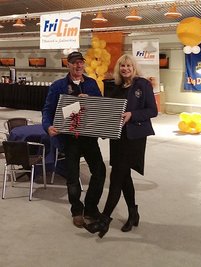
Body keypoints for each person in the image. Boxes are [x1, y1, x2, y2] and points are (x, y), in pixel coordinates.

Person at [84, 54, 158, 238]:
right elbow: (105, 108)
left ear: (134, 67)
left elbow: (152, 111)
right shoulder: (114, 86)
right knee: (124, 176)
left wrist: (132, 114)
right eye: (122, 66)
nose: (125, 69)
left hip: (134, 137)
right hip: (117, 137)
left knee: (116, 176)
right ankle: (133, 214)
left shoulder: (142, 84)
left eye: (129, 66)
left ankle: (104, 220)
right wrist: (88, 100)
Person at [42, 51, 106, 228]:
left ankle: (91, 208)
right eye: (74, 63)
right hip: (69, 139)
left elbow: (100, 108)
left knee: (100, 172)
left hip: (89, 138)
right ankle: (77, 211)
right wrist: (48, 127)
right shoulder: (57, 86)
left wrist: (90, 101)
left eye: (81, 63)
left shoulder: (92, 84)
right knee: (72, 177)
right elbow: (47, 110)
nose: (78, 66)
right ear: (68, 65)